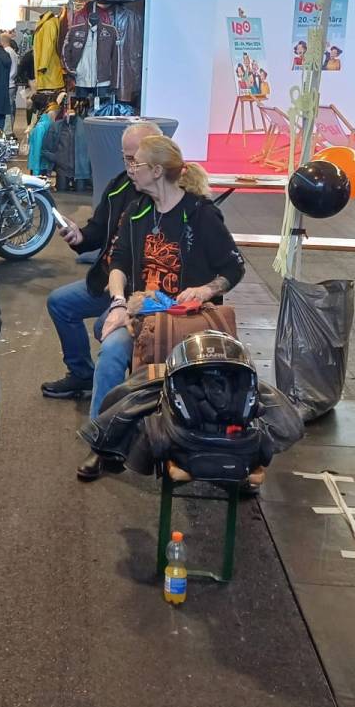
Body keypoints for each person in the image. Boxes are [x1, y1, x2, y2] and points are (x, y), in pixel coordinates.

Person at [76, 136, 246, 470]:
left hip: (186, 320)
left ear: (156, 171)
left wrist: (205, 290)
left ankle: (180, 441)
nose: (130, 170)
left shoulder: (200, 214)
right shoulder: (137, 211)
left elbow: (234, 267)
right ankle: (104, 443)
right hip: (143, 314)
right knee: (112, 351)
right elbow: (118, 264)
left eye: (135, 163)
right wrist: (118, 303)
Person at [41, 122, 160, 401]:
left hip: (142, 292)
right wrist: (78, 236)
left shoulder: (170, 197)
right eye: (126, 159)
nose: (131, 168)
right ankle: (82, 375)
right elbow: (98, 231)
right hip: (109, 280)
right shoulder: (119, 186)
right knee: (60, 303)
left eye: (137, 160)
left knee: (107, 336)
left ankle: (123, 402)